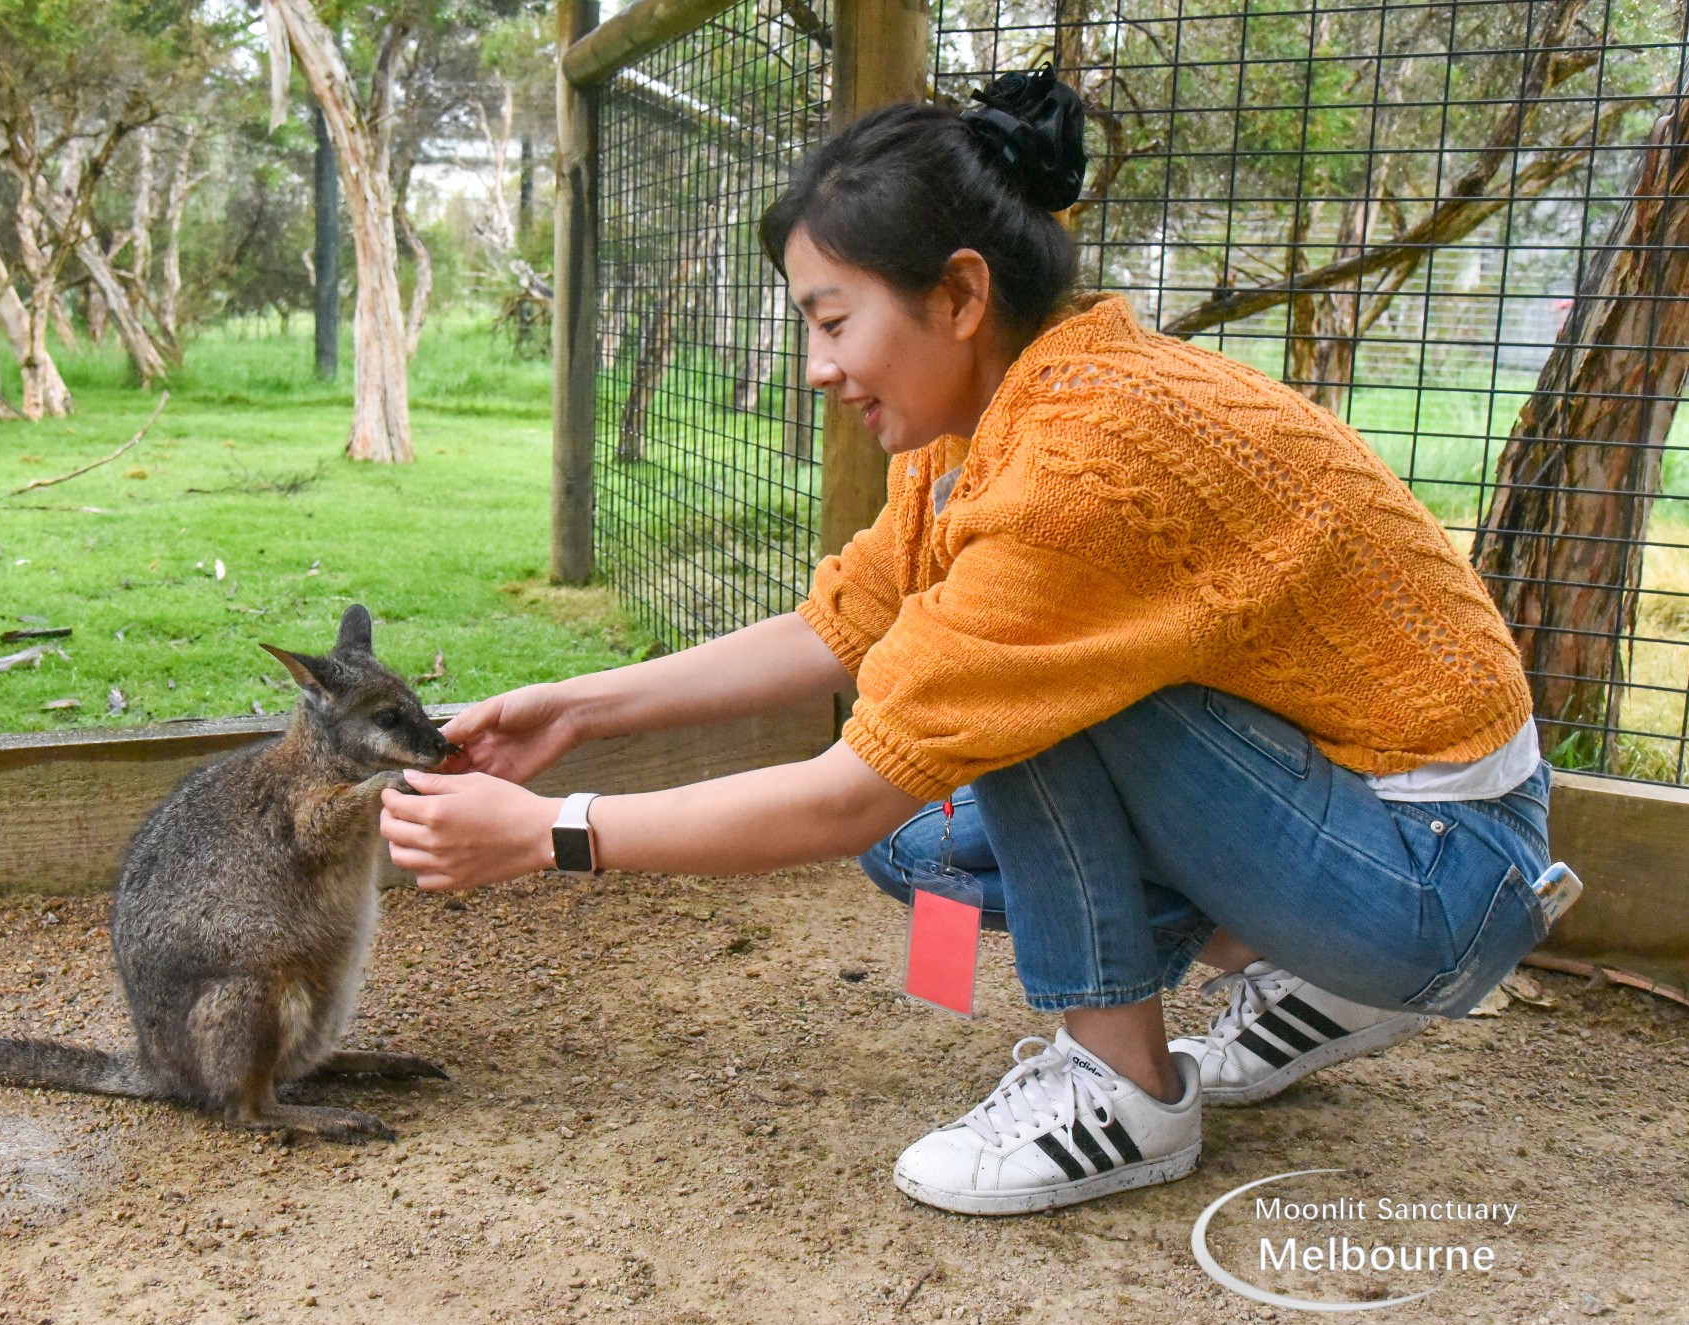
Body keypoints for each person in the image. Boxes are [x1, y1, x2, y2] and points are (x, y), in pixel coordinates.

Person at [377, 69, 1554, 1217]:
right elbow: (838, 622)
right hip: (1356, 826)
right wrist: (577, 708)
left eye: (833, 320)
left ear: (956, 294)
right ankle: (1291, 968)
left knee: (1000, 701)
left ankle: (1125, 1089)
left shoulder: (1077, 469)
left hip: (1433, 875)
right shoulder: (992, 418)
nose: (817, 365)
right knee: (922, 848)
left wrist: (551, 834)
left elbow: (841, 791)